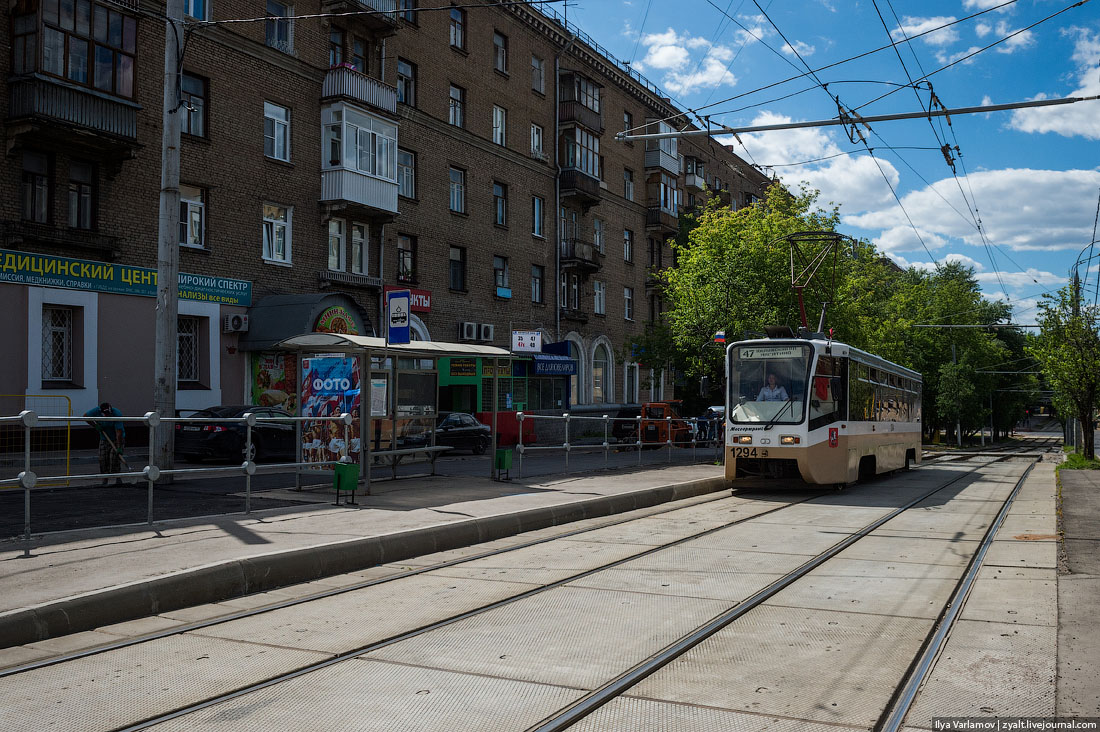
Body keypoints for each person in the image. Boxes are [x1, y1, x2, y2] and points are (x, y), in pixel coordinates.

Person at [83, 401, 125, 484]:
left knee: (114, 458)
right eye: (104, 414)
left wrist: (119, 447)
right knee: (103, 459)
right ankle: (105, 480)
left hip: (117, 439)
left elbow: (118, 432)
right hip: (104, 439)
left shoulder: (117, 414)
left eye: (108, 413)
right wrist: (95, 426)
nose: (106, 415)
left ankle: (118, 478)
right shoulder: (97, 411)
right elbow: (85, 416)